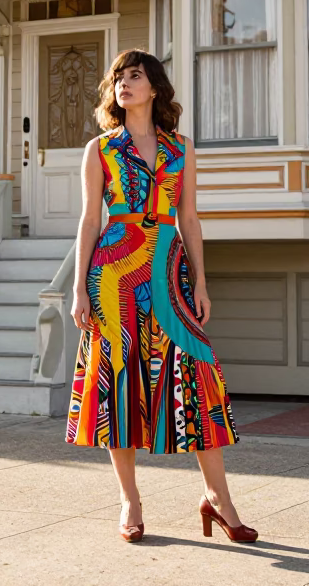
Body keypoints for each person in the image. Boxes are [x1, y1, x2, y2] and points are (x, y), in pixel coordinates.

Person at [65, 48, 257, 545]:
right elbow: (90, 219)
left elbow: (190, 218)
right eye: (118, 77)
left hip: (169, 266)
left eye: (136, 76)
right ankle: (129, 499)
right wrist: (78, 286)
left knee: (195, 373)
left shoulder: (181, 149)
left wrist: (202, 281)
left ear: (154, 88)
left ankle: (218, 499)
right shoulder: (100, 149)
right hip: (114, 271)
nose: (125, 84)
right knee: (119, 380)